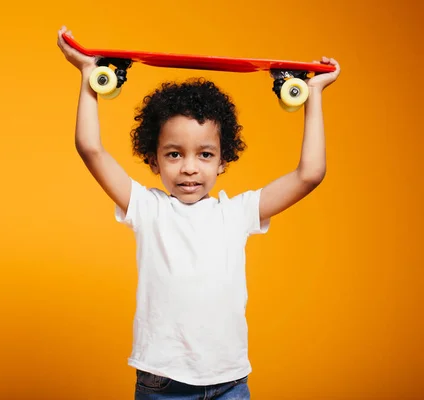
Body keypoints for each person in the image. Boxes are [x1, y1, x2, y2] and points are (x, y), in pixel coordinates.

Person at [56, 26, 340, 400]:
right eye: (174, 153)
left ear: (223, 160)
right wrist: (89, 77)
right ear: (153, 159)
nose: (189, 168)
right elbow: (90, 147)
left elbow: (310, 174)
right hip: (163, 384)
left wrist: (313, 95)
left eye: (204, 154)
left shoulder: (237, 213)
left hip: (230, 383)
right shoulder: (148, 208)